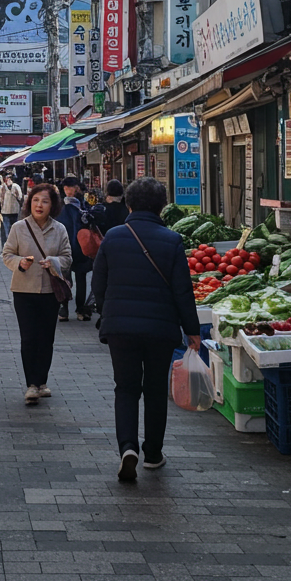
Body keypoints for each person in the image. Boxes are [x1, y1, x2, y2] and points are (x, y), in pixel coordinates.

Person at [91, 177, 200, 483]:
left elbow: (98, 283)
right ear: (162, 206)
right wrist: (192, 330)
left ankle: (128, 448)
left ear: (128, 204)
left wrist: (108, 310)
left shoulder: (113, 237)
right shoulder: (172, 239)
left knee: (125, 388)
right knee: (154, 390)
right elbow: (183, 291)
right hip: (160, 329)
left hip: (120, 328)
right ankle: (152, 452)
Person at [1, 183, 72, 405]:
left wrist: (54, 261)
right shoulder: (19, 227)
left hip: (50, 291)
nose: (39, 205)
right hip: (24, 289)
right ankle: (32, 384)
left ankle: (42, 382)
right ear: (29, 203)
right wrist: (19, 263)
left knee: (46, 338)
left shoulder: (59, 229)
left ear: (53, 205)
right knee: (29, 337)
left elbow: (68, 257)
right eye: (35, 200)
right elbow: (6, 253)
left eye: (45, 201)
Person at [56, 176, 91, 322]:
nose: (67, 191)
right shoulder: (60, 205)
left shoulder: (84, 205)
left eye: (69, 187)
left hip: (80, 247)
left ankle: (80, 308)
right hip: (64, 247)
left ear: (77, 187)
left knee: (80, 278)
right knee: (65, 277)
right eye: (65, 188)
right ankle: (64, 308)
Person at [0, 173, 24, 242]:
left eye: (9, 179)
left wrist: (14, 193)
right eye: (7, 179)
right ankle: (9, 246)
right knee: (8, 231)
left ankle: (13, 244)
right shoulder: (2, 187)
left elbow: (20, 197)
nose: (8, 180)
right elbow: (0, 198)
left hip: (14, 211)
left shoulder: (16, 186)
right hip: (5, 212)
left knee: (14, 230)